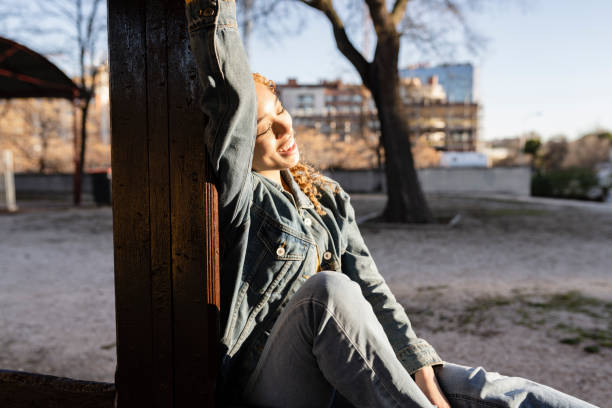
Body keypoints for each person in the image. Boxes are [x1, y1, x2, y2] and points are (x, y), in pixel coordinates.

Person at [184, 1, 598, 407]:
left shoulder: (327, 197)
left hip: (341, 370)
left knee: (472, 387)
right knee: (324, 293)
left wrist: (417, 362)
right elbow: (231, 100)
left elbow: (371, 288)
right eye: (262, 129)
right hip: (271, 383)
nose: (283, 127)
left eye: (280, 110)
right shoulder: (242, 200)